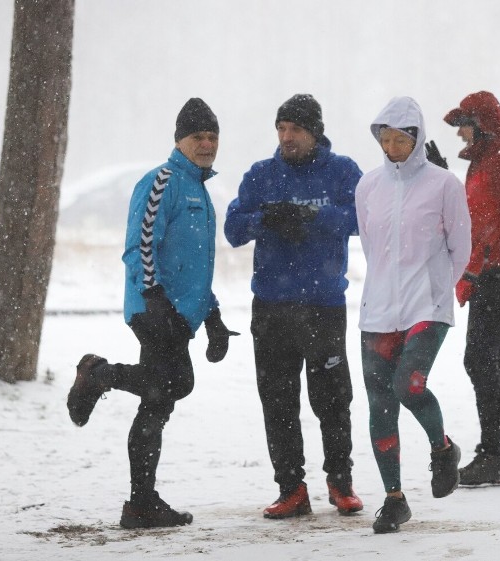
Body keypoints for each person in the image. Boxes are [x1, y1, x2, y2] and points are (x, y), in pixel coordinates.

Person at [67, 97, 237, 528]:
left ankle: (140, 503)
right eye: (198, 136)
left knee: (157, 400)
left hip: (181, 313)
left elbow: (198, 266)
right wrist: (156, 300)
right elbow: (139, 247)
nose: (207, 143)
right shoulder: (162, 181)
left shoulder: (200, 189)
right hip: (154, 309)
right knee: (174, 384)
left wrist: (212, 318)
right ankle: (99, 374)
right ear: (179, 139)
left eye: (213, 136)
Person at [224, 94, 363, 519]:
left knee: (333, 399)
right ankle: (291, 489)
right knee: (278, 400)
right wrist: (265, 218)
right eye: (281, 129)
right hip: (271, 307)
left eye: (295, 130)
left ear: (314, 132)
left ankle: (340, 483)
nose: (287, 137)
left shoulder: (342, 172)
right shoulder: (262, 176)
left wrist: (311, 217)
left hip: (323, 305)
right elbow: (232, 230)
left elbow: (363, 219)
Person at [356, 96, 471, 534]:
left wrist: (437, 286)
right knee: (380, 402)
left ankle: (442, 450)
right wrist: (386, 284)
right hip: (378, 308)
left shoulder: (443, 184)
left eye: (400, 138)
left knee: (408, 384)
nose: (391, 146)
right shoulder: (368, 186)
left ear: (417, 138)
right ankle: (394, 498)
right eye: (384, 138)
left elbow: (460, 247)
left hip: (428, 303)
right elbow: (371, 245)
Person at [437, 91, 500, 484]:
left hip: (495, 279)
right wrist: (442, 175)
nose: (460, 132)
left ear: (482, 123)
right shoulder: (485, 159)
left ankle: (494, 454)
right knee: (498, 362)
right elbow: (474, 212)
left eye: (464, 123)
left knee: (481, 360)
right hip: (484, 273)